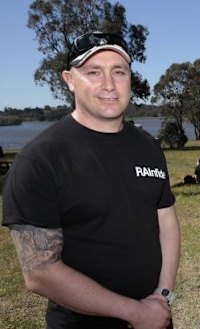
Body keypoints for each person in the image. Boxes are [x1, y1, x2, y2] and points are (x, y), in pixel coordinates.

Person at [2, 31, 180, 328]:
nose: (109, 84)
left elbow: (167, 223)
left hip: (155, 317)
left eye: (118, 72)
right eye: (93, 72)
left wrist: (162, 297)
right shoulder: (40, 161)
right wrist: (136, 313)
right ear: (70, 80)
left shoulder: (148, 146)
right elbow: (40, 272)